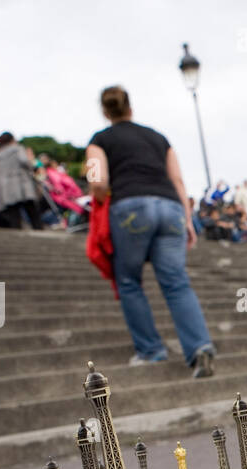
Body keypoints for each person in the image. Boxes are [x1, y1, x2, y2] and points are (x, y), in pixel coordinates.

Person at [86, 85, 215, 376]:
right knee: (176, 282)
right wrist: (187, 219)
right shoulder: (159, 139)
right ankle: (199, 347)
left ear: (105, 112)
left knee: (129, 281)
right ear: (131, 108)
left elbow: (97, 181)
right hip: (170, 208)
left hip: (130, 208)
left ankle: (151, 350)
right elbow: (178, 180)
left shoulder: (99, 141)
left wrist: (105, 197)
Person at [0, 133, 43, 229]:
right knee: (32, 211)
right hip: (22, 185)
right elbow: (25, 162)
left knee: (14, 214)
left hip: (6, 188)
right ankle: (38, 230)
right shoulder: (17, 149)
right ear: (12, 140)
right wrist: (34, 168)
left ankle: (17, 233)